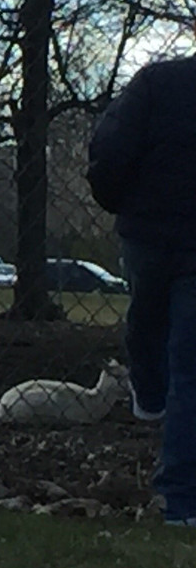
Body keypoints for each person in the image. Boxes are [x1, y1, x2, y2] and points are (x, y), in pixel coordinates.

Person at [88, 53, 196, 526]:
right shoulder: (156, 83)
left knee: (148, 323)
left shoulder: (156, 83)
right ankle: (181, 500)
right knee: (189, 364)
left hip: (147, 231)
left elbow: (110, 151)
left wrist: (120, 201)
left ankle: (149, 391)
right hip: (168, 236)